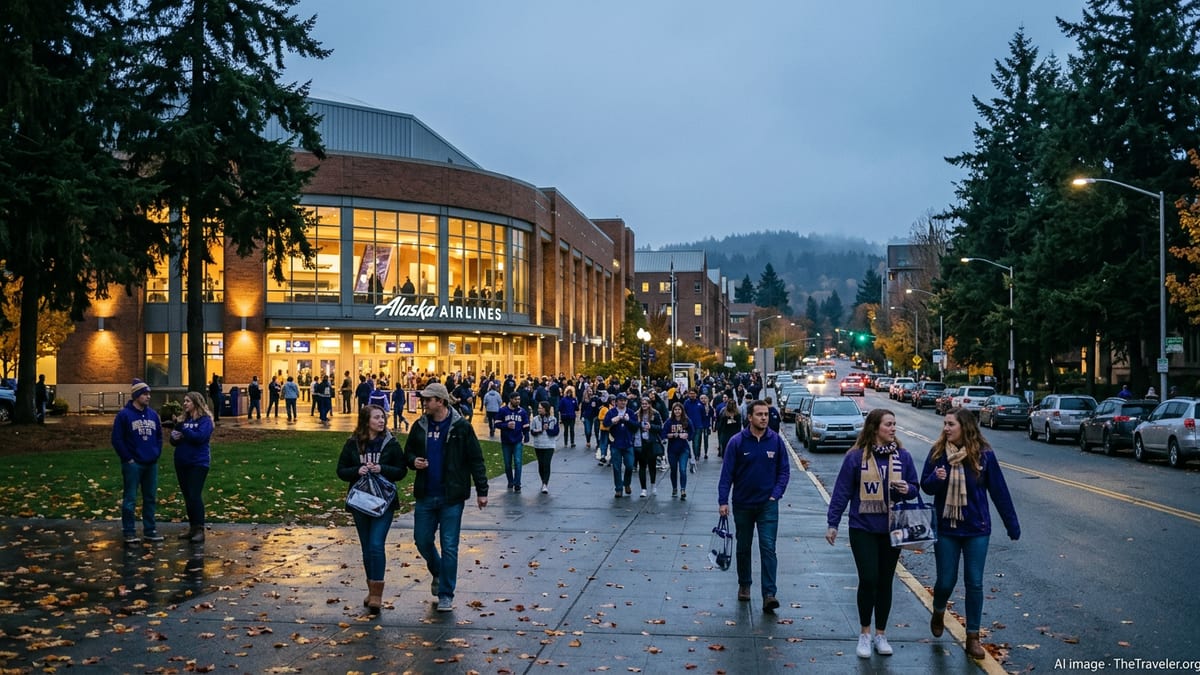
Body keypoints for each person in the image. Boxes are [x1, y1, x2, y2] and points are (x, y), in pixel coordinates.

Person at [921, 408, 1020, 660]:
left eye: (950, 424)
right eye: (944, 423)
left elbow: (999, 491)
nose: (945, 428)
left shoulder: (983, 455)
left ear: (964, 427)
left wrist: (1012, 524)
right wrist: (936, 478)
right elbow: (926, 486)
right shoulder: (937, 453)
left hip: (977, 528)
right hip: (947, 528)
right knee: (946, 580)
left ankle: (973, 637)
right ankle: (939, 609)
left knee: (974, 582)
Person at [825, 408, 920, 659]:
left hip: (893, 528)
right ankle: (864, 633)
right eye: (888, 424)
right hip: (863, 527)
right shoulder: (856, 458)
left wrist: (906, 488)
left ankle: (881, 634)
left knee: (885, 582)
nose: (893, 428)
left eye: (894, 424)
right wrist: (832, 523)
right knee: (869, 579)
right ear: (874, 427)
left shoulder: (904, 457)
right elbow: (841, 492)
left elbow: (914, 488)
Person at [404, 383, 489, 612]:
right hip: (426, 494)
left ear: (440, 401)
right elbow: (408, 453)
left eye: (428, 400)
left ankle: (446, 593)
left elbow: (476, 459)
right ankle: (439, 571)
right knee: (422, 540)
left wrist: (482, 490)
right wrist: (414, 461)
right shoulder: (420, 426)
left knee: (450, 545)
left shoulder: (461, 427)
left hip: (451, 496)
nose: (424, 403)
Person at [718, 399, 790, 613]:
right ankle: (745, 584)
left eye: (766, 414)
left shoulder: (776, 441)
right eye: (759, 414)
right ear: (749, 417)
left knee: (768, 547)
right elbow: (727, 474)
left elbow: (784, 471)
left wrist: (776, 495)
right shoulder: (737, 442)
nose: (764, 418)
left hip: (767, 504)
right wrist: (723, 500)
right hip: (743, 504)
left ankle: (769, 594)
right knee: (743, 547)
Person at [338, 404, 407, 615]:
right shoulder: (353, 444)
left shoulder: (391, 444)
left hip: (383, 503)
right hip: (361, 503)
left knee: (376, 544)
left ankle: (377, 594)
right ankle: (371, 590)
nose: (381, 421)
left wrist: (382, 469)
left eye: (383, 418)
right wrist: (357, 470)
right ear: (366, 420)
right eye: (377, 418)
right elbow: (341, 470)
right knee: (367, 547)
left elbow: (401, 471)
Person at [111, 379, 164, 545]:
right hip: (133, 464)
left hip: (151, 463)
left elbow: (159, 437)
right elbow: (117, 439)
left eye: (149, 394)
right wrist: (128, 459)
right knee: (130, 498)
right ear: (136, 396)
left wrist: (156, 453)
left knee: (150, 498)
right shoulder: (124, 415)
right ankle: (129, 531)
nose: (148, 397)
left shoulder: (153, 415)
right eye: (144, 394)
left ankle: (150, 530)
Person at [169, 391, 214, 543]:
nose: (185, 403)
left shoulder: (205, 420)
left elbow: (199, 437)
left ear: (196, 403)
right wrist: (175, 435)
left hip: (198, 463)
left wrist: (184, 430)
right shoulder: (184, 419)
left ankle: (200, 529)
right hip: (182, 462)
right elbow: (174, 440)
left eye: (188, 401)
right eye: (184, 401)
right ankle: (192, 527)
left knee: (195, 495)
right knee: (188, 496)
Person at [604, 393, 638, 498]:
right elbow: (605, 423)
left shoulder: (631, 412)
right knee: (617, 467)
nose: (623, 402)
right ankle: (618, 488)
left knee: (629, 465)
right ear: (616, 402)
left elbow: (636, 426)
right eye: (621, 400)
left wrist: (629, 421)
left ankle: (626, 483)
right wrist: (612, 421)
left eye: (625, 400)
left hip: (628, 444)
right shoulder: (612, 412)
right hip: (616, 443)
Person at [496, 393, 530, 492]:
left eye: (519, 399)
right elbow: (497, 424)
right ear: (511, 399)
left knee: (518, 462)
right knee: (507, 464)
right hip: (506, 441)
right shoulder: (503, 411)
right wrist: (506, 425)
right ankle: (510, 481)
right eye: (515, 399)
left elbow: (526, 424)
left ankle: (517, 483)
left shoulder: (522, 411)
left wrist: (526, 435)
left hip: (517, 440)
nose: (518, 401)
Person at [663, 402, 693, 500]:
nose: (677, 411)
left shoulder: (687, 420)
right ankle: (674, 488)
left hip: (683, 449)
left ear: (682, 410)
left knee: (683, 470)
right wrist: (671, 435)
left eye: (679, 409)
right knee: (673, 470)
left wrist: (687, 435)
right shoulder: (669, 421)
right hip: (672, 449)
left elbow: (692, 431)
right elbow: (663, 433)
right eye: (675, 410)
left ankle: (683, 489)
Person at [634, 396, 663, 497]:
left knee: (652, 465)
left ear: (650, 404)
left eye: (646, 404)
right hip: (640, 443)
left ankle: (653, 485)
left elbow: (660, 427)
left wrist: (651, 427)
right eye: (642, 404)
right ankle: (643, 489)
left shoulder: (655, 414)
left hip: (651, 442)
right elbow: (633, 426)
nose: (644, 406)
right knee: (642, 466)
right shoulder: (637, 414)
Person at [529, 401, 559, 494]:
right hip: (538, 444)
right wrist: (538, 430)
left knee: (546, 463)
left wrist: (548, 429)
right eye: (538, 408)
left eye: (541, 408)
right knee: (541, 464)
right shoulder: (535, 419)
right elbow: (532, 431)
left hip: (549, 445)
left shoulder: (553, 419)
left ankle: (545, 484)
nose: (539, 410)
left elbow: (556, 432)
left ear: (546, 409)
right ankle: (543, 481)